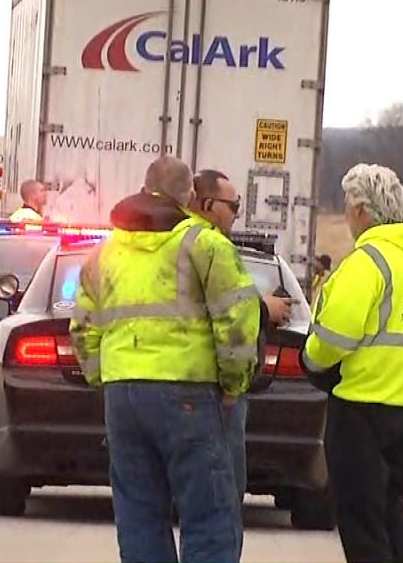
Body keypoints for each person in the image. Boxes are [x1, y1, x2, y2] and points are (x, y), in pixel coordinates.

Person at [70, 156, 261, 563]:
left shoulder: (105, 252)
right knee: (209, 516)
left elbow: (83, 328)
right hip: (189, 393)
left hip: (123, 396)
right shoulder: (204, 244)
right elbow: (239, 319)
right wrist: (233, 385)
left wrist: (105, 378)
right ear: (190, 197)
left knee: (139, 516)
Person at [301, 164, 403, 563]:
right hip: (398, 411)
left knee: (361, 524)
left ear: (361, 210)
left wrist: (311, 356)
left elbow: (333, 339)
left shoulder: (366, 263)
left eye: (346, 206)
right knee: (393, 515)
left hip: (358, 412)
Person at [191, 169, 293, 516]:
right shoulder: (214, 247)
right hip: (215, 389)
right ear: (207, 204)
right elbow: (231, 316)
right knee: (222, 499)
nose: (237, 212)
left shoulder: (168, 242)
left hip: (163, 388)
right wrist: (233, 389)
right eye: (233, 206)